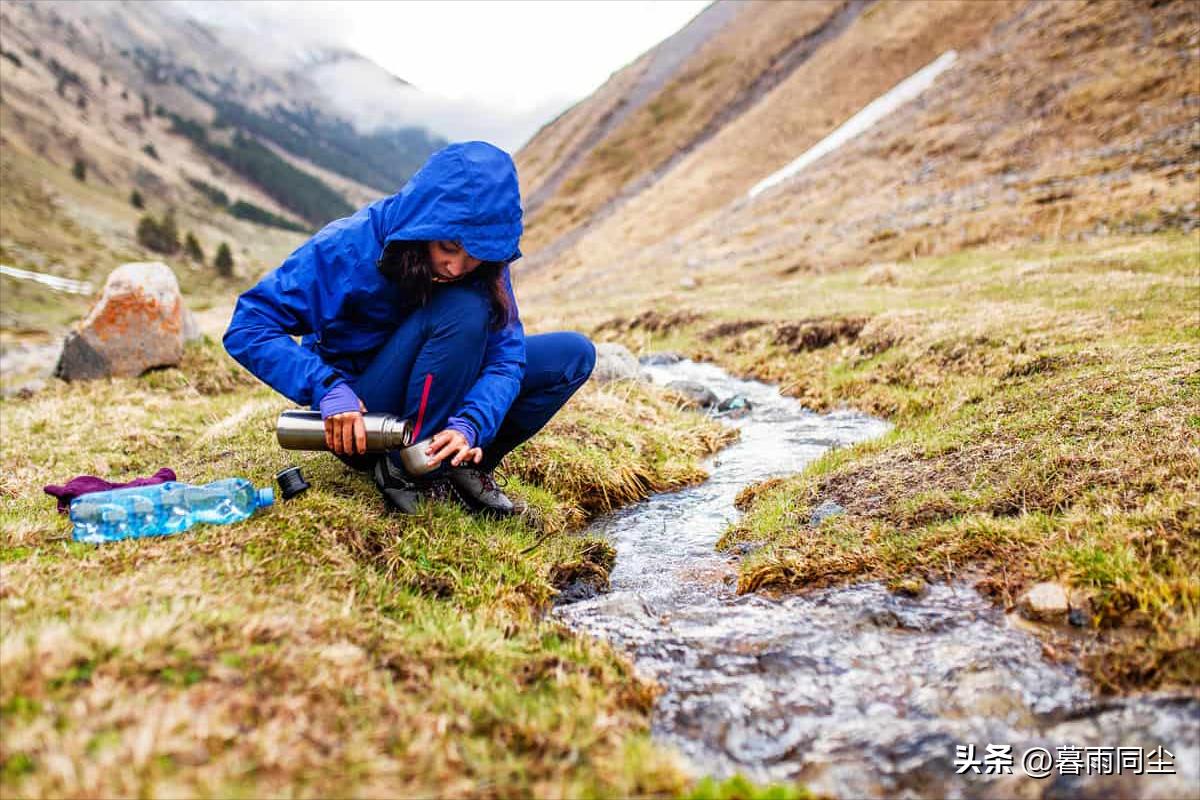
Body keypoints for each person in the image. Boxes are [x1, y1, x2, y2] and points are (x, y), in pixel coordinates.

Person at [223, 141, 596, 516]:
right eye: (449, 246)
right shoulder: (348, 247)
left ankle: (462, 462)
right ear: (426, 222)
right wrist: (326, 387)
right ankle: (403, 470)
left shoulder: (486, 266)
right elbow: (249, 325)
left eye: (475, 254)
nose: (456, 267)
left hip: (442, 394)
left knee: (572, 356)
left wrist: (471, 424)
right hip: (365, 418)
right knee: (464, 308)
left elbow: (505, 359)